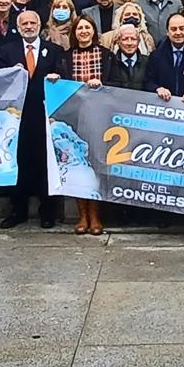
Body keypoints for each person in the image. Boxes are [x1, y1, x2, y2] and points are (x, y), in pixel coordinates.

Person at [0, 8, 66, 228]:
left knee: (45, 161)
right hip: (16, 116)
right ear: (18, 27)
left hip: (44, 115)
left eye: (32, 23)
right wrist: (10, 73)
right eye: (24, 23)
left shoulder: (54, 50)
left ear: (39, 25)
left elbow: (64, 78)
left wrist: (58, 77)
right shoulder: (6, 51)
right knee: (19, 161)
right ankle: (18, 211)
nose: (29, 27)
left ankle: (47, 212)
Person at [65, 16, 107, 236]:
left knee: (96, 165)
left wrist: (102, 85)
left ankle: (95, 214)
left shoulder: (106, 55)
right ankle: (82, 215)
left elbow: (115, 84)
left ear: (93, 31)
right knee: (78, 164)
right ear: (74, 32)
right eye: (79, 28)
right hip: (74, 117)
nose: (83, 31)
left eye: (87, 27)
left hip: (100, 117)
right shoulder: (65, 57)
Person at [103, 20, 150, 88]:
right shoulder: (109, 63)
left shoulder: (148, 62)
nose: (129, 43)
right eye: (125, 39)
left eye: (133, 39)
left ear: (138, 41)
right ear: (118, 41)